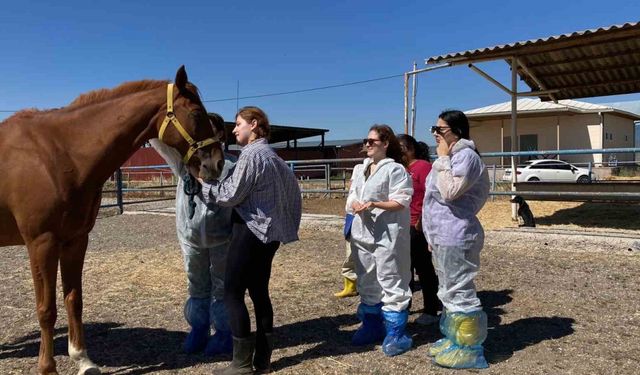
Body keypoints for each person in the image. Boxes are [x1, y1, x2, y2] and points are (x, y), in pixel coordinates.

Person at [199, 106, 302, 375]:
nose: (234, 130)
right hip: (270, 235)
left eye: (238, 124)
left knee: (232, 292)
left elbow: (230, 195)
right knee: (259, 292)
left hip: (250, 231)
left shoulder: (252, 155)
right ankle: (262, 361)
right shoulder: (275, 158)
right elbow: (294, 196)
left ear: (254, 124)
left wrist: (205, 184)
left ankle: (241, 363)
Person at [151, 113, 235, 356]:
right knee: (196, 284)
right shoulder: (183, 163)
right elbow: (159, 143)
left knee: (221, 285)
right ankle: (198, 328)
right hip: (191, 236)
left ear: (220, 134)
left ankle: (223, 332)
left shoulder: (229, 165)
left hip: (222, 236)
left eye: (211, 129)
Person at [422, 110, 490, 369]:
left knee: (460, 291)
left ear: (457, 132)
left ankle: (470, 349)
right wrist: (430, 234)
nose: (435, 135)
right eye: (434, 130)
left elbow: (450, 192)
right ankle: (455, 338)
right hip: (442, 235)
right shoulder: (450, 157)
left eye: (440, 130)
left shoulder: (466, 157)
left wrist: (441, 161)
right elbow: (433, 202)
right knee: (448, 290)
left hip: (457, 234)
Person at [346, 124, 414, 357]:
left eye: (372, 141)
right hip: (362, 232)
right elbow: (353, 195)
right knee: (367, 277)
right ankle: (372, 324)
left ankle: (395, 331)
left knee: (391, 277)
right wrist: (356, 204)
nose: (367, 145)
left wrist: (375, 204)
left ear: (385, 144)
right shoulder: (360, 169)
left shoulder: (394, 170)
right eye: (365, 141)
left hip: (388, 233)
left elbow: (402, 199)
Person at [396, 134, 442, 325]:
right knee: (404, 268)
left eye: (398, 147)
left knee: (423, 268)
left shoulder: (423, 167)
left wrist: (423, 219)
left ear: (408, 148)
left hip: (417, 225)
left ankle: (431, 308)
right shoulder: (401, 169)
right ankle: (405, 306)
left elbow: (432, 196)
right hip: (402, 225)